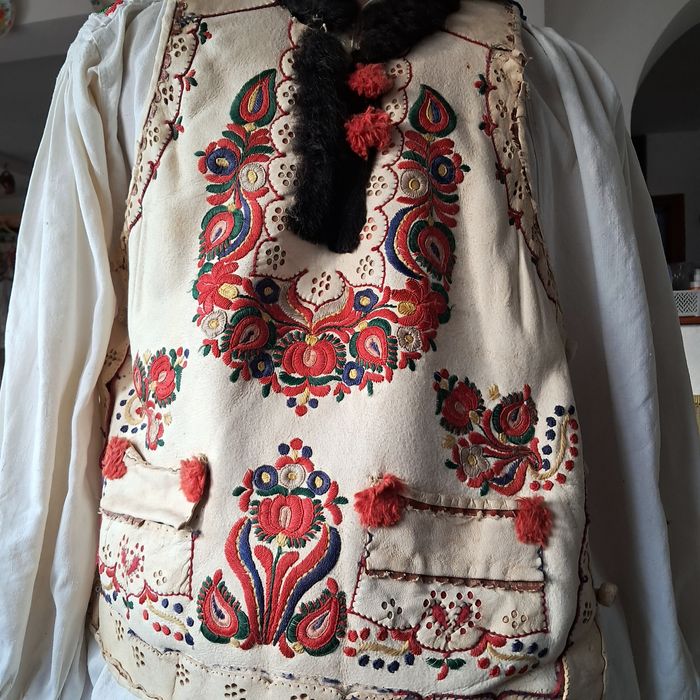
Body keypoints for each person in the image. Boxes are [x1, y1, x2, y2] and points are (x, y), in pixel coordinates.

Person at [0, 0, 698, 698]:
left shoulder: (547, 83)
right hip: (160, 650)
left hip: (469, 645)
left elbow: (629, 404)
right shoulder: (127, 60)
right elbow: (49, 395)